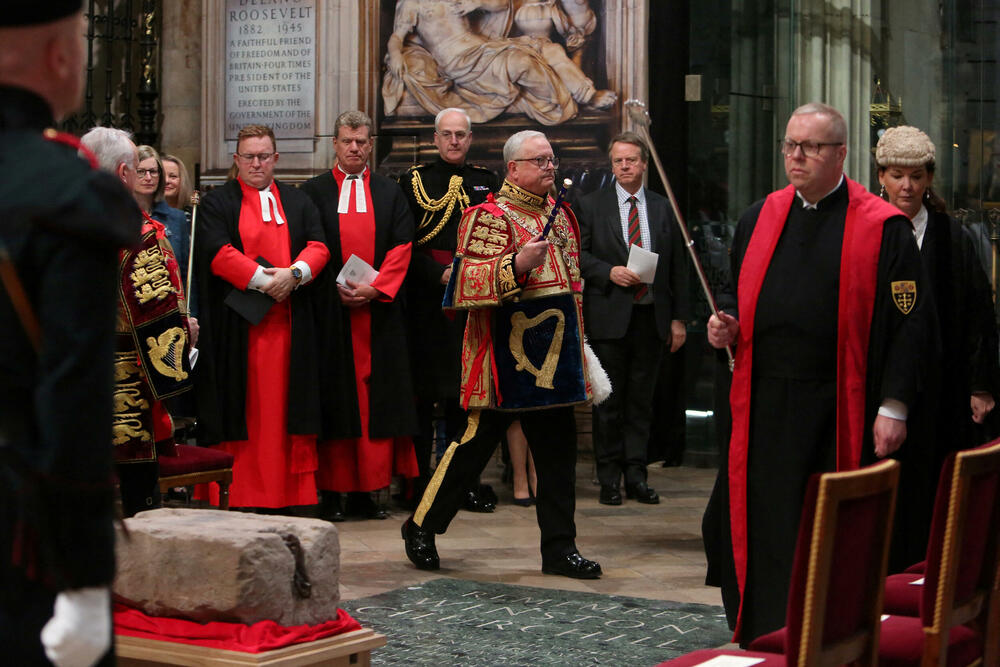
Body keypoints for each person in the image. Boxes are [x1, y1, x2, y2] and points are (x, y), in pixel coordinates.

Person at [704, 103, 930, 644]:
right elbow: (735, 294)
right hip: (765, 405)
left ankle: (832, 635)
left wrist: (893, 406)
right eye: (790, 145)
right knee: (768, 523)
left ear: (841, 154)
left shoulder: (884, 228)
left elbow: (912, 326)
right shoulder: (759, 216)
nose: (796, 155)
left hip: (841, 406)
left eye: (810, 146)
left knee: (829, 527)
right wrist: (724, 328)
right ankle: (765, 634)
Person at [0, 4, 140, 664]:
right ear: (59, 55)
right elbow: (74, 392)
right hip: (21, 532)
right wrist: (84, 578)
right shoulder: (63, 190)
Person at [401, 129, 603, 580]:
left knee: (558, 457)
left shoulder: (562, 215)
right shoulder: (487, 216)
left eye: (552, 159)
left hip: (554, 360)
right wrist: (515, 266)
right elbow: (463, 286)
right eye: (540, 161)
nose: (550, 167)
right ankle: (421, 525)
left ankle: (559, 548)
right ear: (513, 169)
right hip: (500, 360)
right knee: (470, 451)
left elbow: (571, 287)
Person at [875, 125, 999, 569]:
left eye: (916, 175)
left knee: (936, 491)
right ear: (881, 178)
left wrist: (982, 385)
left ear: (929, 179)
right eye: (896, 175)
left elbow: (979, 314)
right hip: (885, 392)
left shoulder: (953, 237)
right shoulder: (869, 232)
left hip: (944, 391)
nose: (906, 186)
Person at [194, 124, 330, 512]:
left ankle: (289, 495)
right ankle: (238, 492)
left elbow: (319, 246)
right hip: (237, 331)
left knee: (286, 410)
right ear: (236, 160)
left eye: (263, 156)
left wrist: (295, 275)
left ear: (276, 159)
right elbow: (216, 252)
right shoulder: (217, 201)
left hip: (290, 326)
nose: (256, 163)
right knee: (243, 409)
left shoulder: (299, 200)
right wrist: (263, 282)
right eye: (249, 156)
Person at [300, 110, 419, 521]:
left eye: (362, 141)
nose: (355, 147)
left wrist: (377, 288)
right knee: (334, 399)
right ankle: (330, 491)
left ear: (371, 145)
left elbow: (403, 246)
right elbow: (305, 244)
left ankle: (368, 491)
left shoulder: (390, 192)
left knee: (374, 405)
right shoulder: (312, 192)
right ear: (334, 143)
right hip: (329, 318)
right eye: (347, 140)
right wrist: (331, 290)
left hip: (378, 318)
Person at [82, 127, 194, 518]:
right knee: (137, 508)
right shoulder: (137, 233)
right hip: (123, 380)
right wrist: (183, 339)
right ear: (123, 173)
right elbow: (156, 314)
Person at [578, 132, 690, 505]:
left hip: (651, 318)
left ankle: (636, 476)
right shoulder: (591, 205)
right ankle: (609, 479)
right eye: (618, 161)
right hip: (609, 317)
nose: (624, 166)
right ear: (611, 166)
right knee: (609, 404)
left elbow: (678, 267)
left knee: (642, 403)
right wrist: (607, 272)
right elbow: (578, 255)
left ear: (644, 164)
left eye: (631, 160)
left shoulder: (661, 207)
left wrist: (678, 320)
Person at [398, 107, 499, 512]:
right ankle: (419, 482)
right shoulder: (414, 181)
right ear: (436, 139)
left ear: (470, 139)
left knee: (466, 398)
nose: (455, 141)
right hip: (427, 304)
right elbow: (404, 244)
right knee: (424, 398)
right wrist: (437, 274)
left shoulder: (486, 182)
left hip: (472, 304)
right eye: (447, 134)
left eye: (461, 134)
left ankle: (460, 485)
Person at [384, 0, 580, 125]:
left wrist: (477, 3)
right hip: (458, 61)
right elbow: (396, 37)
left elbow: (502, 5)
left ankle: (551, 105)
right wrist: (395, 55)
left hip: (484, 47)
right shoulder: (413, 3)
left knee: (525, 59)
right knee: (521, 64)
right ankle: (546, 108)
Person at [134, 144, 198, 329]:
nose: (148, 178)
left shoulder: (176, 218)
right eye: (141, 172)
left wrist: (190, 315)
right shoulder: (120, 215)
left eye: (154, 172)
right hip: (134, 311)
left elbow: (187, 273)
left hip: (170, 312)